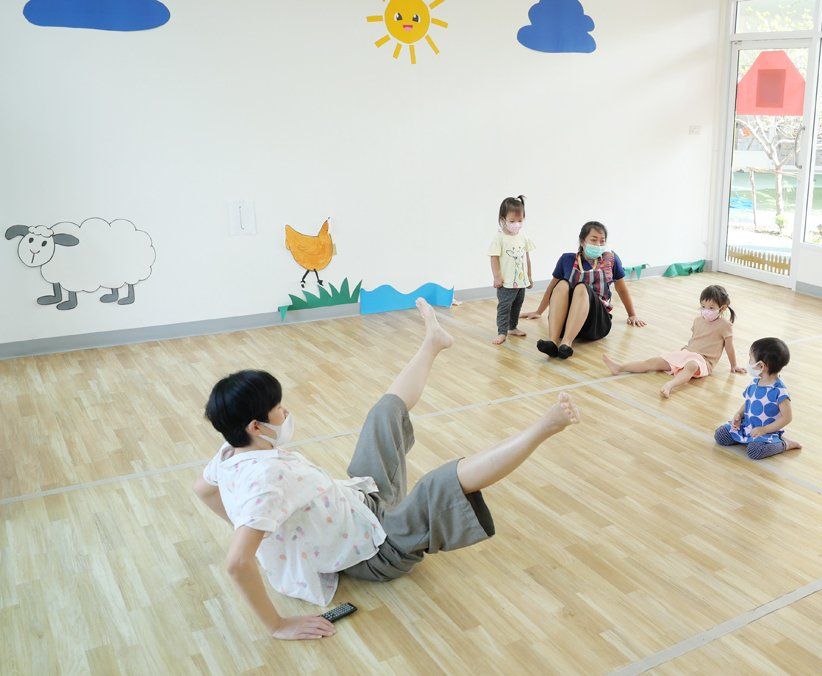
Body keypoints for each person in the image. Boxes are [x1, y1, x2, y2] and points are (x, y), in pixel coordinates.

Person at [192, 298, 581, 640]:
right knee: (438, 483)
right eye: (279, 408)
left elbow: (203, 490)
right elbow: (237, 562)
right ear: (256, 427)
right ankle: (544, 428)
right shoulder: (265, 481)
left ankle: (433, 342)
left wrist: (258, 529)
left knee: (382, 414)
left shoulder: (230, 451)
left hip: (359, 502)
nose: (286, 411)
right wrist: (276, 623)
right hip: (377, 549)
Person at [521, 221, 644, 359]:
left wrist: (632, 314)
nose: (598, 245)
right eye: (593, 240)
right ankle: (553, 341)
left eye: (602, 241)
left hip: (596, 324)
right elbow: (552, 289)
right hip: (567, 321)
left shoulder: (611, 260)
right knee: (561, 284)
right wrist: (539, 311)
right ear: (582, 241)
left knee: (581, 288)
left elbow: (621, 289)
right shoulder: (566, 259)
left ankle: (566, 343)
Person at [603, 285, 745, 399]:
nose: (706, 311)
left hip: (704, 361)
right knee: (654, 361)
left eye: (711, 308)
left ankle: (670, 385)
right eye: (703, 306)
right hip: (687, 353)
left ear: (723, 308)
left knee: (690, 366)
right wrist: (682, 354)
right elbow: (695, 339)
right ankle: (619, 368)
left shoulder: (725, 325)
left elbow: (729, 347)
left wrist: (734, 365)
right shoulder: (698, 320)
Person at [714, 337, 803, 460]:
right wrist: (739, 415)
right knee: (721, 435)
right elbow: (748, 402)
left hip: (767, 433)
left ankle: (784, 444)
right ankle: (748, 439)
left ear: (761, 365)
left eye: (750, 358)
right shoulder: (754, 382)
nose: (749, 362)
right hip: (747, 426)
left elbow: (787, 417)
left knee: (755, 451)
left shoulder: (779, 390)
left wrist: (764, 429)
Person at [487, 195, 535, 345]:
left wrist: (529, 276)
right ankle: (502, 332)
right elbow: (494, 257)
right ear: (503, 219)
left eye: (520, 221)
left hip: (520, 281)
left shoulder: (523, 236)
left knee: (517, 305)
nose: (517, 224)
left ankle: (512, 327)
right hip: (506, 282)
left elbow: (526, 257)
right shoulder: (499, 238)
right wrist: (497, 276)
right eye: (512, 221)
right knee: (504, 306)